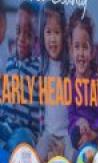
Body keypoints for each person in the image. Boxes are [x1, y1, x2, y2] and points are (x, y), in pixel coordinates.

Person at [0, 2, 42, 149]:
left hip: (26, 130)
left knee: (20, 140)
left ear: (36, 40)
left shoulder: (39, 67)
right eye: (19, 31)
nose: (22, 38)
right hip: (5, 124)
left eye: (28, 34)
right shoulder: (9, 63)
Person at [67, 9, 98, 150]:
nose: (80, 53)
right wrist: (78, 123)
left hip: (96, 137)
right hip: (79, 137)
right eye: (77, 47)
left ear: (92, 52)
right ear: (71, 50)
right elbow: (71, 115)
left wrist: (93, 131)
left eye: (85, 47)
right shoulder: (69, 83)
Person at [37, 2, 72, 162]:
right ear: (42, 34)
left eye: (56, 32)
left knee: (72, 158)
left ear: (64, 34)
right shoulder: (42, 66)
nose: (52, 38)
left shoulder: (70, 66)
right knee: (37, 157)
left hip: (67, 135)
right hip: (48, 134)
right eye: (48, 32)